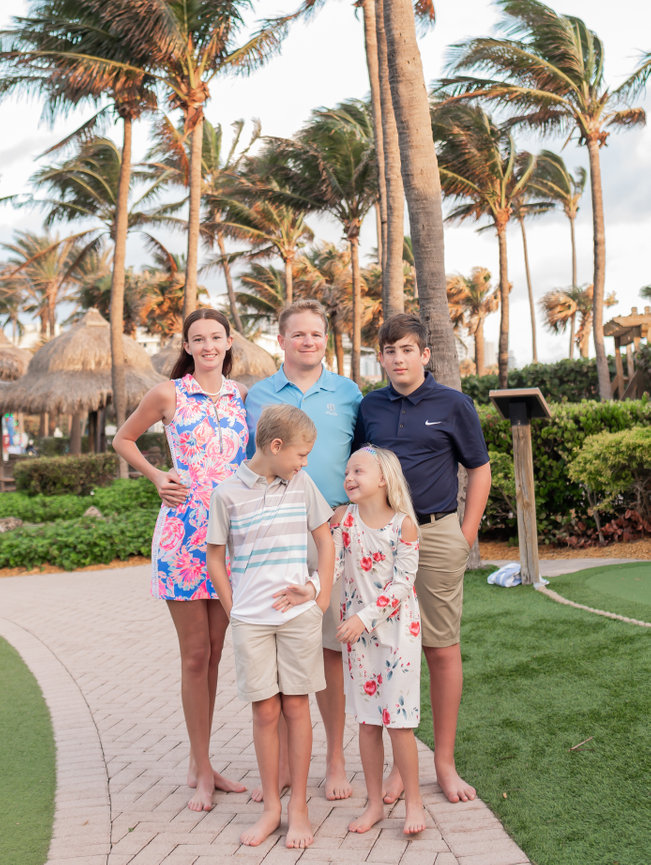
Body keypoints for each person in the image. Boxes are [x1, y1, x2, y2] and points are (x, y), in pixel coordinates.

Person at [112, 308, 248, 812]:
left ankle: (200, 762)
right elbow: (122, 439)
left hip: (230, 538)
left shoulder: (242, 397)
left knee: (216, 653)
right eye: (198, 338)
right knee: (195, 656)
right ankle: (204, 768)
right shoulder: (168, 394)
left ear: (228, 341)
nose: (208, 345)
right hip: (183, 538)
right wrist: (155, 475)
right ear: (187, 346)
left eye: (216, 336)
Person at [354, 313, 491, 804]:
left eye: (407, 350)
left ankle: (444, 764)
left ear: (425, 354)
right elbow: (361, 470)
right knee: (389, 649)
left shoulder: (454, 404)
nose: (397, 359)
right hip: (382, 542)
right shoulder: (369, 406)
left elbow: (479, 470)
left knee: (439, 647)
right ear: (382, 357)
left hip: (436, 535)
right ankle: (399, 767)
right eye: (389, 351)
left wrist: (465, 534)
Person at [245, 299, 362, 801]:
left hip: (331, 532)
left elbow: (365, 459)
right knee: (279, 650)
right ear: (282, 340)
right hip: (274, 540)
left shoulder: (350, 392)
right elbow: (243, 462)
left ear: (325, 340)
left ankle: (335, 757)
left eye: (317, 334)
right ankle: (290, 766)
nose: (308, 341)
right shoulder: (257, 395)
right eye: (299, 334)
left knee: (329, 651)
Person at [207, 404, 334, 849]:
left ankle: (298, 807)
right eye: (301, 454)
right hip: (251, 622)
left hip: (297, 619)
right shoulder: (226, 494)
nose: (304, 463)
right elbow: (215, 558)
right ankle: (271, 810)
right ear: (276, 446)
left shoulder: (301, 485)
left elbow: (324, 538)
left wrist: (319, 595)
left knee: (297, 706)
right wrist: (233, 607)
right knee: (264, 710)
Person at [332, 445, 427, 835]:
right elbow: (333, 566)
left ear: (384, 479)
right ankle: (374, 805)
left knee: (398, 723)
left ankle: (414, 804)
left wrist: (364, 617)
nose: (350, 477)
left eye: (359, 471)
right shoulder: (343, 520)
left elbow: (404, 583)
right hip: (358, 638)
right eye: (348, 471)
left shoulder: (403, 525)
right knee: (369, 722)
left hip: (396, 634)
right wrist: (309, 590)